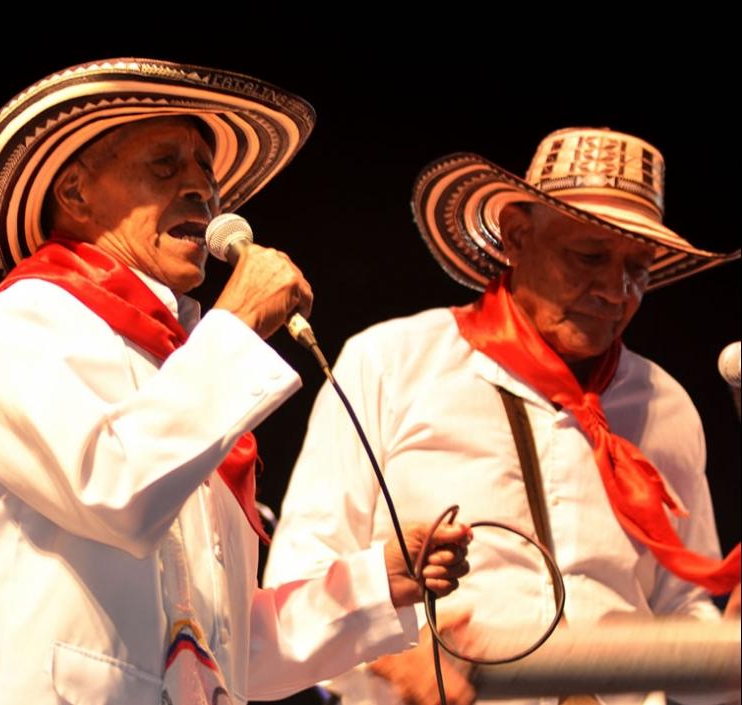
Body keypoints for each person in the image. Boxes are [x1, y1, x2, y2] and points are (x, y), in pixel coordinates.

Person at [0, 58, 471, 705]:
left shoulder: (183, 376)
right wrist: (236, 323)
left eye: (207, 172)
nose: (203, 190)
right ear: (75, 192)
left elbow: (221, 647)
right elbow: (117, 488)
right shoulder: (21, 323)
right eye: (166, 165)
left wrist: (381, 583)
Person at [264, 127, 741, 705]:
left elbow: (680, 609)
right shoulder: (391, 362)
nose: (617, 292)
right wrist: (390, 652)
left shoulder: (665, 405)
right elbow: (300, 571)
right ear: (517, 236)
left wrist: (722, 648)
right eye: (589, 257)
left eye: (638, 268)